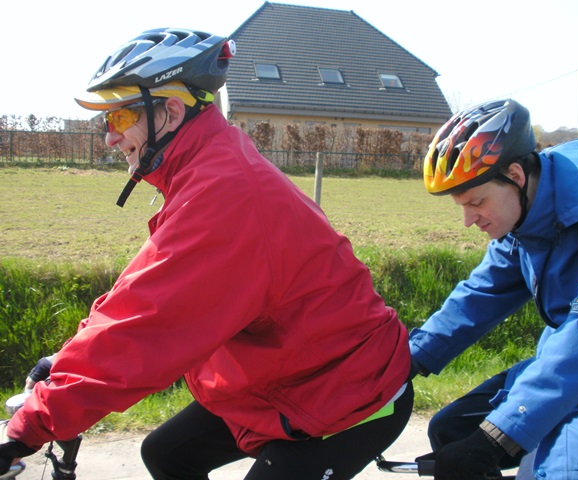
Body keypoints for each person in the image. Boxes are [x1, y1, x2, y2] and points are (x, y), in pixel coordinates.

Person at [0, 28, 413, 480]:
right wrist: (61, 365)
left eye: (117, 119)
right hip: (284, 379)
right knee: (167, 455)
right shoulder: (204, 168)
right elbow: (139, 294)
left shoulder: (225, 193)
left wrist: (25, 430)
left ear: (171, 111)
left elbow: (147, 331)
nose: (108, 139)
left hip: (349, 394)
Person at [409, 99, 578, 480]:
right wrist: (405, 362)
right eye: (460, 206)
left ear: (515, 174)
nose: (468, 220)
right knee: (450, 433)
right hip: (571, 366)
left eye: (477, 202)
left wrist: (499, 437)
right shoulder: (527, 209)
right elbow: (481, 293)